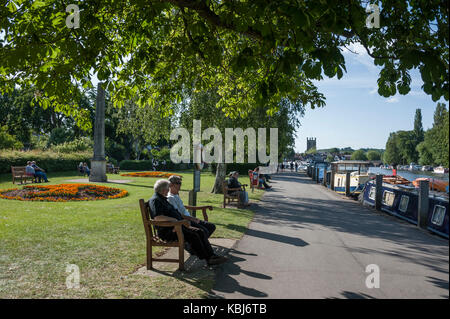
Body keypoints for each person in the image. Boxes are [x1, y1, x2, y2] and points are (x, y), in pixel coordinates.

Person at [149, 179, 227, 266]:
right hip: (170, 231)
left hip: (177, 226)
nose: (168, 190)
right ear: (163, 189)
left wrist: (187, 219)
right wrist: (176, 221)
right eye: (168, 188)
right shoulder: (155, 200)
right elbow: (157, 217)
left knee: (200, 232)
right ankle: (208, 259)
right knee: (195, 234)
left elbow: (176, 213)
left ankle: (212, 256)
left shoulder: (162, 199)